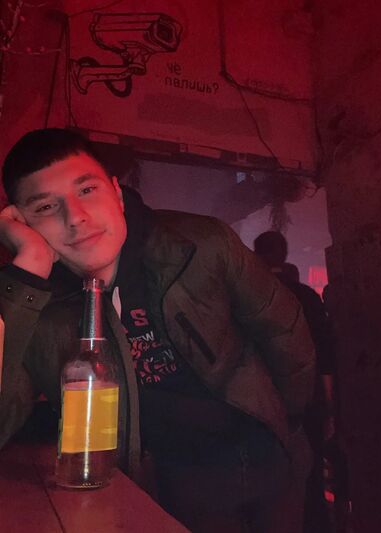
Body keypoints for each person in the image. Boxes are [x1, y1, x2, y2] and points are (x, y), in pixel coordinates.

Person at [0, 128, 315, 532]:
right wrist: (26, 274)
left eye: (87, 190)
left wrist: (286, 423)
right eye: (45, 206)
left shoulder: (202, 244)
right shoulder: (31, 305)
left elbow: (284, 331)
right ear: (21, 222)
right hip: (155, 489)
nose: (75, 216)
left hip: (265, 457)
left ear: (117, 193)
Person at [254, 231, 336, 533]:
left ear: (256, 256)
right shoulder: (307, 297)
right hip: (308, 401)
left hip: (265, 403)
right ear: (284, 254)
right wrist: (328, 406)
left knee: (269, 479)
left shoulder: (253, 298)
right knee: (311, 475)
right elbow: (325, 355)